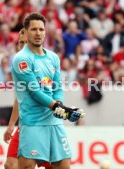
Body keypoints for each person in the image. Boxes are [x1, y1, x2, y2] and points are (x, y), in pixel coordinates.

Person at [11, 12, 84, 169]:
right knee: (27, 166)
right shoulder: (21, 59)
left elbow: (57, 87)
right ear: (25, 31)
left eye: (41, 29)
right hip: (33, 123)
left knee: (64, 165)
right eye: (34, 29)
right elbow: (35, 92)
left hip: (54, 122)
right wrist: (60, 109)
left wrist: (59, 105)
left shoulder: (53, 58)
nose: (38, 33)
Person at [3, 29, 52, 169]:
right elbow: (20, 99)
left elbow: (48, 96)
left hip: (43, 125)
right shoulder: (20, 67)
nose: (22, 47)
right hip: (25, 125)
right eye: (20, 43)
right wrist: (11, 125)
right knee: (10, 165)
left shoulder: (44, 66)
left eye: (26, 43)